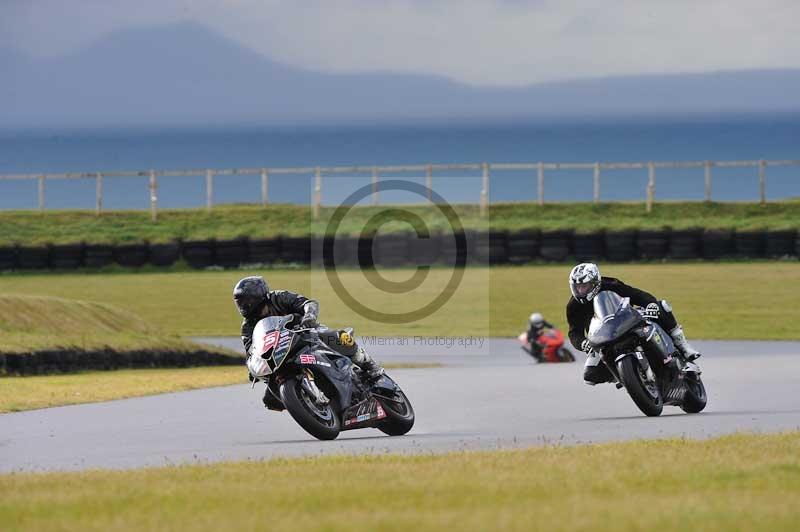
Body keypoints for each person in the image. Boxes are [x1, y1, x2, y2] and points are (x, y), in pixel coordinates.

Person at [565, 263, 701, 386]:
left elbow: (638, 295)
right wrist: (582, 343)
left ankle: (683, 346)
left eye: (584, 286)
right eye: (577, 287)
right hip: (602, 337)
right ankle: (625, 377)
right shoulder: (573, 306)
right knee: (590, 376)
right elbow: (574, 332)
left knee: (662, 307)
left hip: (626, 321)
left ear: (595, 282)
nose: (580, 291)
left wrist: (651, 305)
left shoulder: (611, 284)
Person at [233, 276, 385, 382]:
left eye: (247, 300)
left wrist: (309, 317)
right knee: (270, 399)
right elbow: (251, 352)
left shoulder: (279, 297)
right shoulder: (247, 327)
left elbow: (309, 303)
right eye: (240, 302)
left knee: (340, 337)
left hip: (305, 333)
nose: (244, 306)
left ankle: (370, 365)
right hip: (281, 353)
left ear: (259, 296)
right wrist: (253, 369)